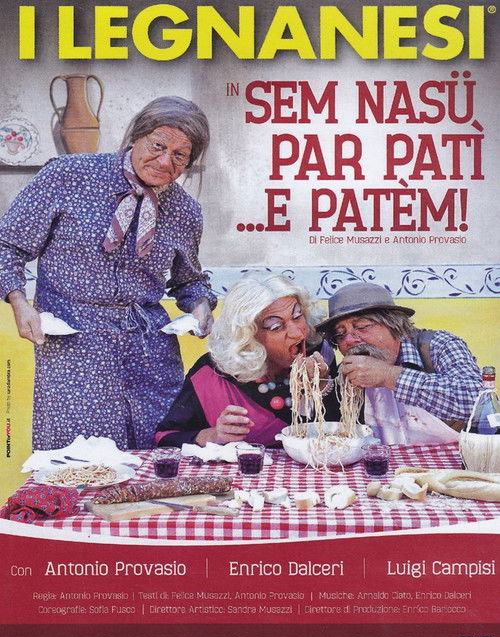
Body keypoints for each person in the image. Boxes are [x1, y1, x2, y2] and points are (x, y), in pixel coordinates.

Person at [0, 96, 216, 450]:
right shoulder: (68, 176)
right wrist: (19, 303)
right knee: (79, 462)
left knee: (157, 454)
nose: (165, 162)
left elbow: (189, 280)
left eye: (180, 156)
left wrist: (201, 307)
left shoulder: (185, 211)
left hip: (150, 354)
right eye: (158, 146)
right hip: (74, 349)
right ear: (136, 136)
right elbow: (7, 245)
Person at [155, 273, 341, 448]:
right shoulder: (212, 374)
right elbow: (165, 437)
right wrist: (213, 435)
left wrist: (323, 386)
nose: (297, 333)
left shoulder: (320, 355)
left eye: (298, 316)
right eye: (276, 326)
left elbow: (341, 431)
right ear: (248, 337)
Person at [315, 282, 483, 446]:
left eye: (362, 327)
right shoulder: (350, 371)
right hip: (383, 462)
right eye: (340, 334)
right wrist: (321, 385)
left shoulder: (439, 346)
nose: (349, 340)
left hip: (451, 461)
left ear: (394, 325)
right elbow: (336, 430)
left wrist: (389, 376)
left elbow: (478, 403)